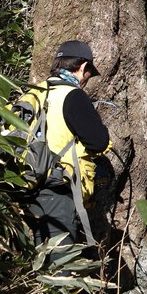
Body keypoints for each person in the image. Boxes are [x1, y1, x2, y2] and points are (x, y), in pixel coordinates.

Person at [25, 39, 110, 253]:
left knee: (39, 257)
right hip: (56, 190)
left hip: (27, 185)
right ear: (83, 67)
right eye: (89, 74)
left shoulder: (36, 91)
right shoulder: (72, 95)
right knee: (58, 266)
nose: (86, 81)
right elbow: (98, 141)